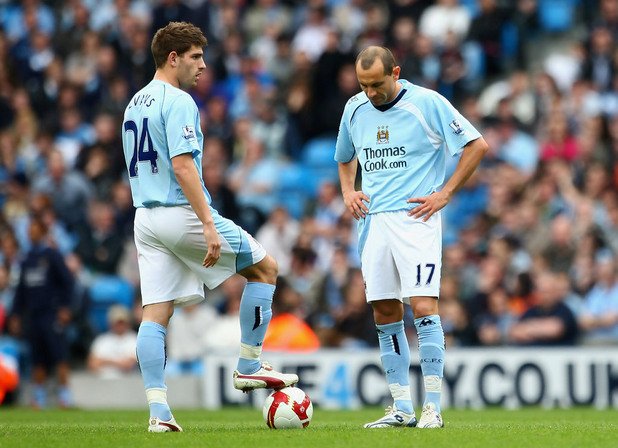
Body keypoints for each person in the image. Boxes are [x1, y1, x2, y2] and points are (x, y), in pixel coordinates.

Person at [121, 22, 298, 433]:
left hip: (145, 217)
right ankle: (249, 365)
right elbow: (182, 165)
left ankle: (159, 413)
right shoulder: (178, 100)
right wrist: (207, 223)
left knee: (155, 313)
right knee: (266, 268)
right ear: (173, 58)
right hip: (180, 211)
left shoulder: (134, 102)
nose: (203, 65)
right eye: (196, 57)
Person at [335, 46, 488, 429]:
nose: (370, 92)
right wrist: (348, 191)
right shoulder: (354, 108)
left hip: (415, 217)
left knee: (422, 308)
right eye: (364, 85)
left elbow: (476, 144)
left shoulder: (427, 103)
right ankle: (402, 406)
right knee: (385, 312)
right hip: (373, 223)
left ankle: (432, 408)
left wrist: (446, 192)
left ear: (396, 72)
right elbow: (344, 155)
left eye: (377, 84)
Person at [9, 218, 74, 409]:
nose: (31, 234)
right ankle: (39, 397)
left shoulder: (52, 256)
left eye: (35, 230)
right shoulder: (26, 259)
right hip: (33, 315)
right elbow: (20, 290)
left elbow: (67, 282)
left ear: (43, 233)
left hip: (51, 313)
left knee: (59, 354)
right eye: (30, 231)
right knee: (37, 357)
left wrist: (65, 307)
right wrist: (15, 314)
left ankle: (65, 396)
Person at [87, 305, 138, 379]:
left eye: (122, 322)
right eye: (117, 323)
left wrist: (104, 361)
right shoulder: (101, 340)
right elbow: (92, 364)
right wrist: (118, 363)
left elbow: (129, 365)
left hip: (128, 381)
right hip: (104, 382)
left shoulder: (135, 339)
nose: (119, 326)